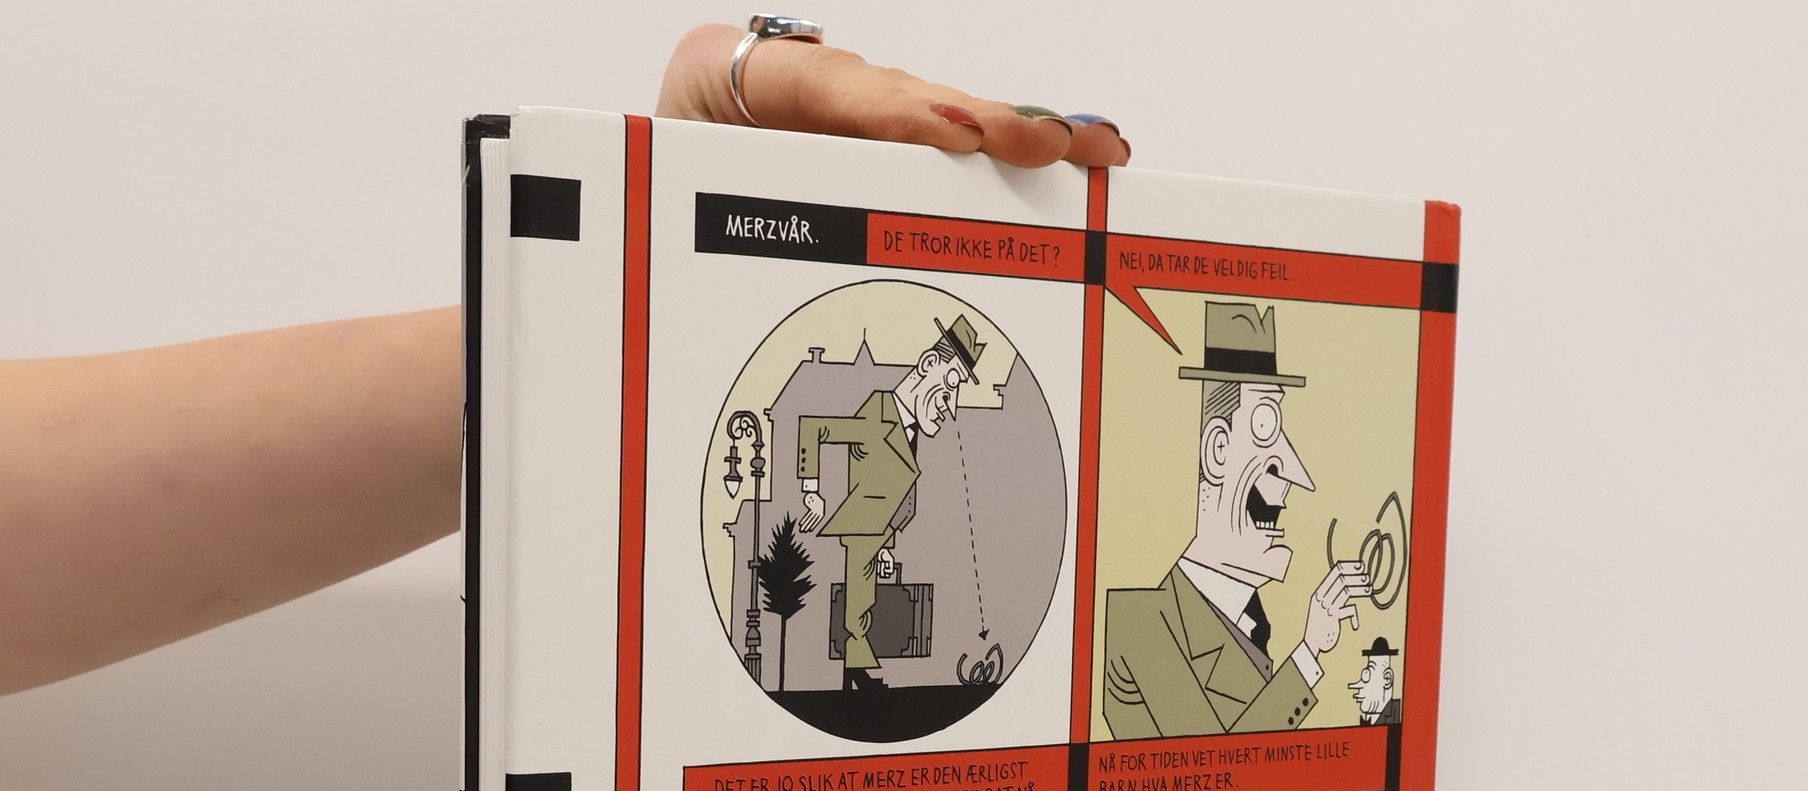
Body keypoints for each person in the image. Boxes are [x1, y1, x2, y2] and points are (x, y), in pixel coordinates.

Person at [0, 25, 1127, 698]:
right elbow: (823, 437)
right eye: (937, 379)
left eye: (944, 384)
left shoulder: (919, 423)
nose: (938, 388)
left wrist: (652, 298)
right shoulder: (879, 409)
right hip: (837, 541)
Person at [1102, 299, 1373, 740]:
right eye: (1265, 425)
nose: (1294, 473)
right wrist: (1308, 653)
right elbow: (1216, 760)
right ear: (1218, 451)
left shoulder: (1253, 622)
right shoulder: (1139, 624)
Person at [797, 314, 987, 690]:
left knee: (864, 599)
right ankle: (856, 671)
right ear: (928, 364)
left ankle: (854, 673)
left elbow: (892, 489)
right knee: (859, 603)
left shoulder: (905, 428)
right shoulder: (878, 420)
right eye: (950, 385)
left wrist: (887, 544)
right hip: (861, 525)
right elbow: (814, 428)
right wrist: (811, 490)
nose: (949, 407)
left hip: (877, 531)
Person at [1349, 638, 1403, 725]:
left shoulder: (1398, 717)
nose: (1359, 687)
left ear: (1387, 679)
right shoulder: (1366, 719)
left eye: (1368, 674)